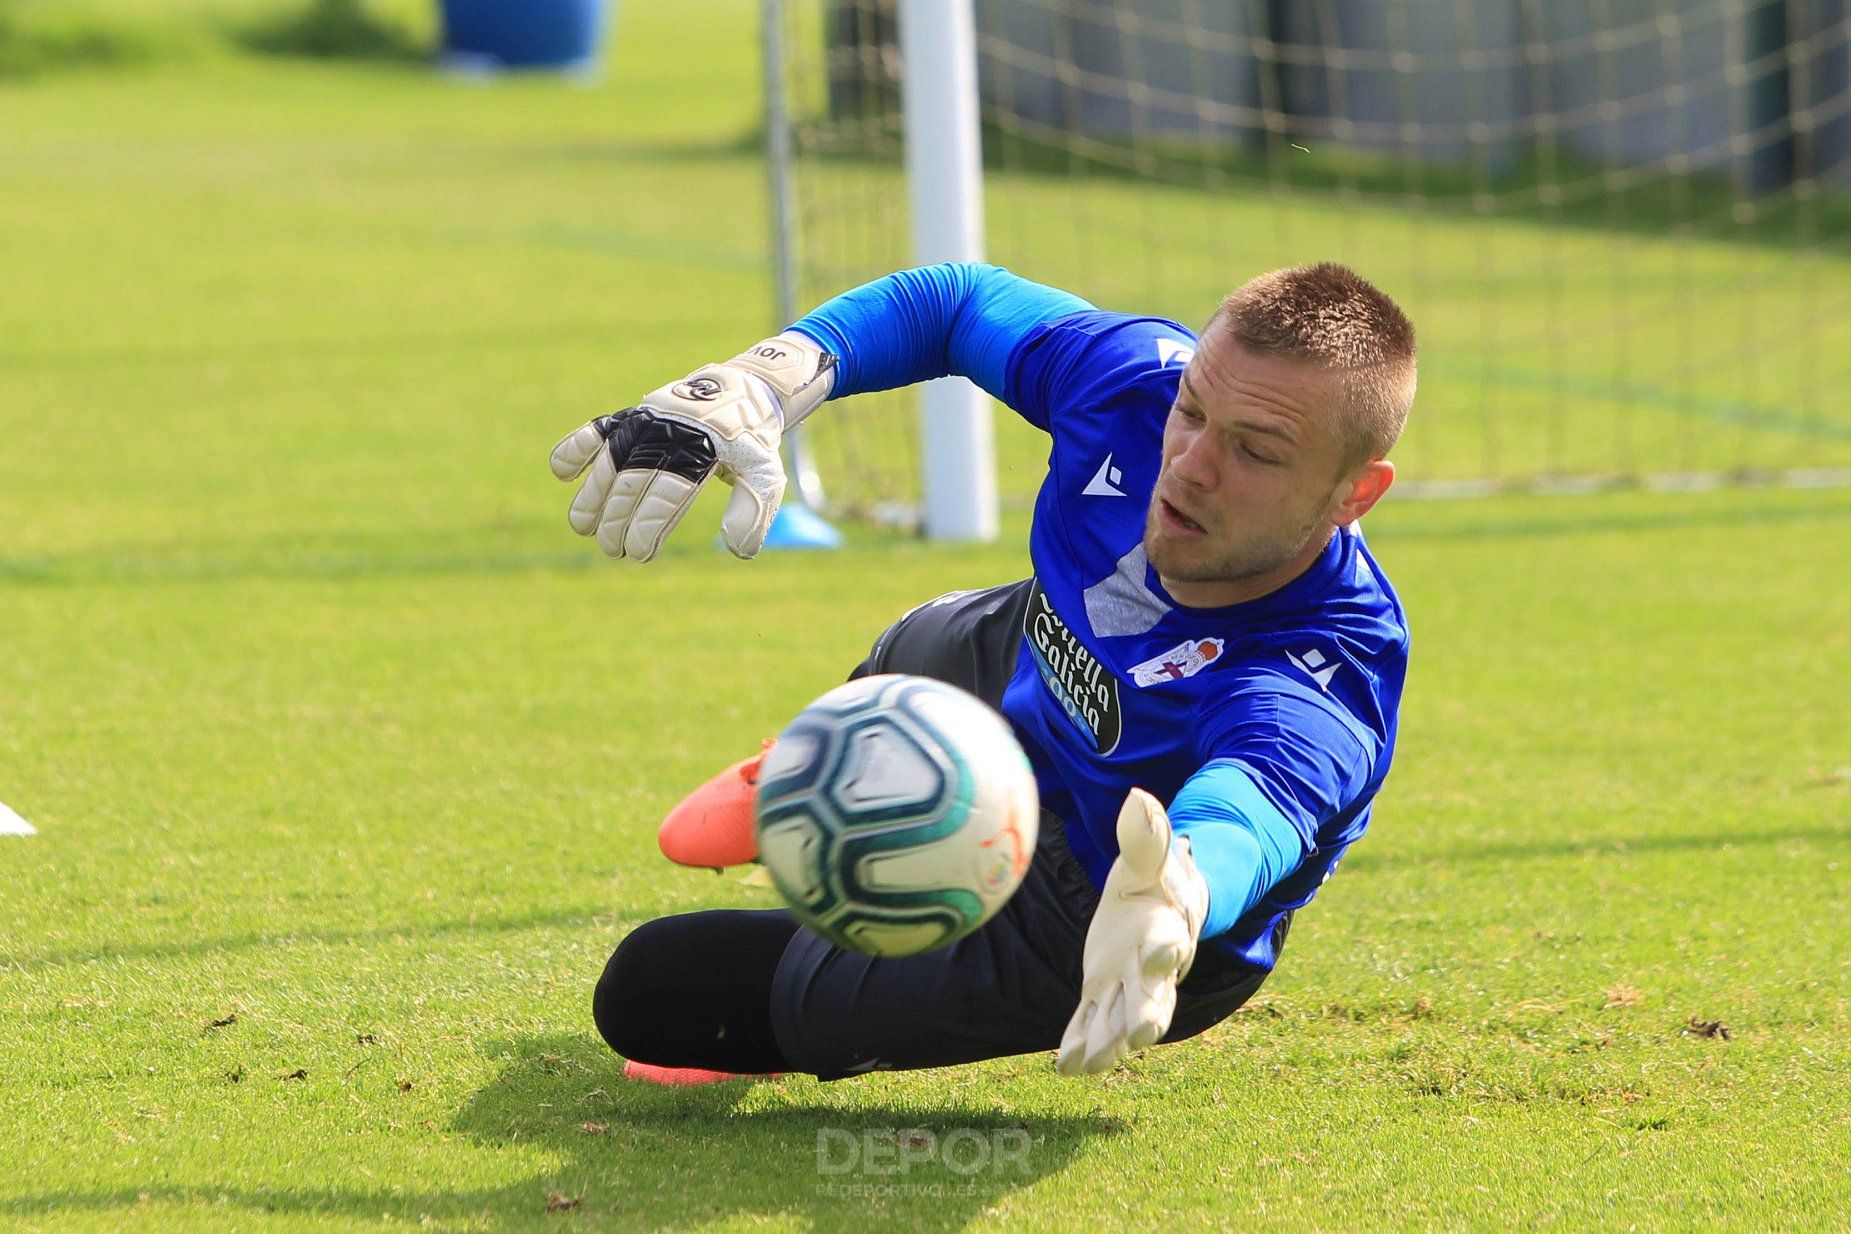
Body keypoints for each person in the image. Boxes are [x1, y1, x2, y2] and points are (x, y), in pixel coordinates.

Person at [550, 262, 1415, 1081]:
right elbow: (953, 304)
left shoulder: (1328, 664)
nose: (1187, 464)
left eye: (1257, 452)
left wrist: (1174, 895)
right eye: (1191, 411)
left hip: (1091, 905)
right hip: (1027, 664)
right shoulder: (1134, 383)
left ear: (1353, 495)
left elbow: (1252, 805)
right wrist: (768, 379)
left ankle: (860, 893)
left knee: (654, 988)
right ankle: (819, 776)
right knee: (926, 640)